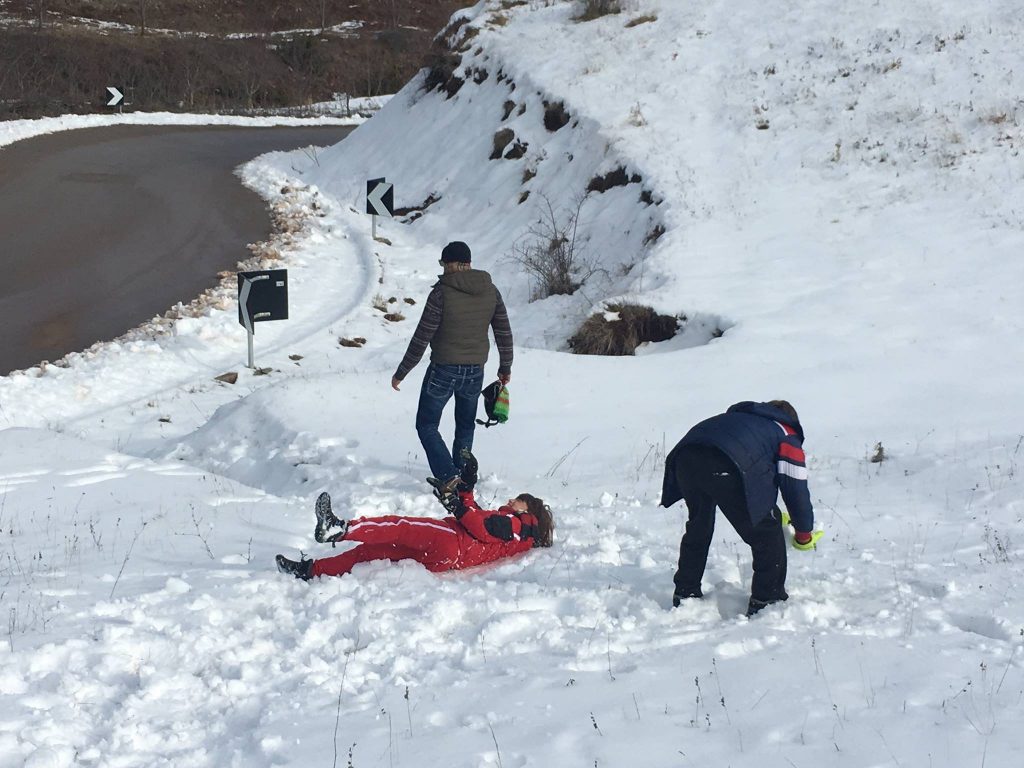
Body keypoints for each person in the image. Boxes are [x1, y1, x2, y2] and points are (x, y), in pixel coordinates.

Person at [276, 451, 553, 580]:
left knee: (399, 526)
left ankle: (340, 529)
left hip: (451, 541)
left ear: (527, 508)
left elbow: (479, 527)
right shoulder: (517, 535)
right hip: (445, 558)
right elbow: (481, 523)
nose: (510, 500)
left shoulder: (517, 524)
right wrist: (467, 486)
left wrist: (455, 506)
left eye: (517, 499)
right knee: (370, 553)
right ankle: (310, 570)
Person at [660, 400, 823, 616]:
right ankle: (767, 600)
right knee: (767, 533)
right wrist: (803, 533)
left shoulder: (741, 419)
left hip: (686, 457)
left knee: (699, 526)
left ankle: (685, 592)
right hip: (725, 462)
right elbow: (795, 489)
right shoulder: (785, 432)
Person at [390, 241, 513, 492]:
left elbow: (422, 336)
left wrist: (402, 371)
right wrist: (505, 367)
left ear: (452, 264)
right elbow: (503, 332)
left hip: (443, 370)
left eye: (443, 263)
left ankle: (448, 476)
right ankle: (463, 474)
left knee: (426, 425)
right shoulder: (491, 291)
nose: (442, 269)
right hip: (475, 371)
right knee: (465, 426)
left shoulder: (441, 293)